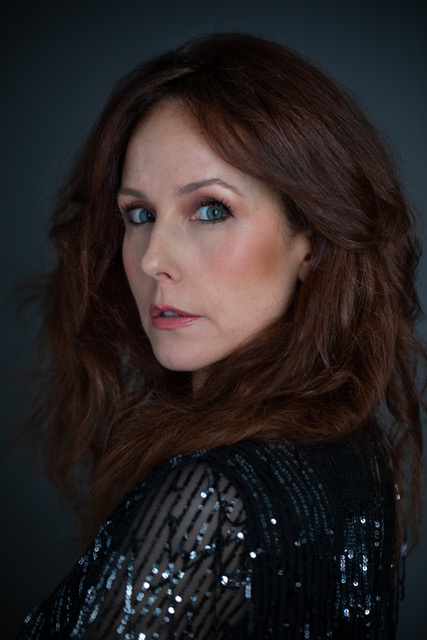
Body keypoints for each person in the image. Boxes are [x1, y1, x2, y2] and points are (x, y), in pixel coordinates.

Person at [18, 33, 425, 639]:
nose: (153, 258)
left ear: (311, 240)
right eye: (139, 214)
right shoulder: (355, 452)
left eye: (211, 210)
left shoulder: (209, 500)